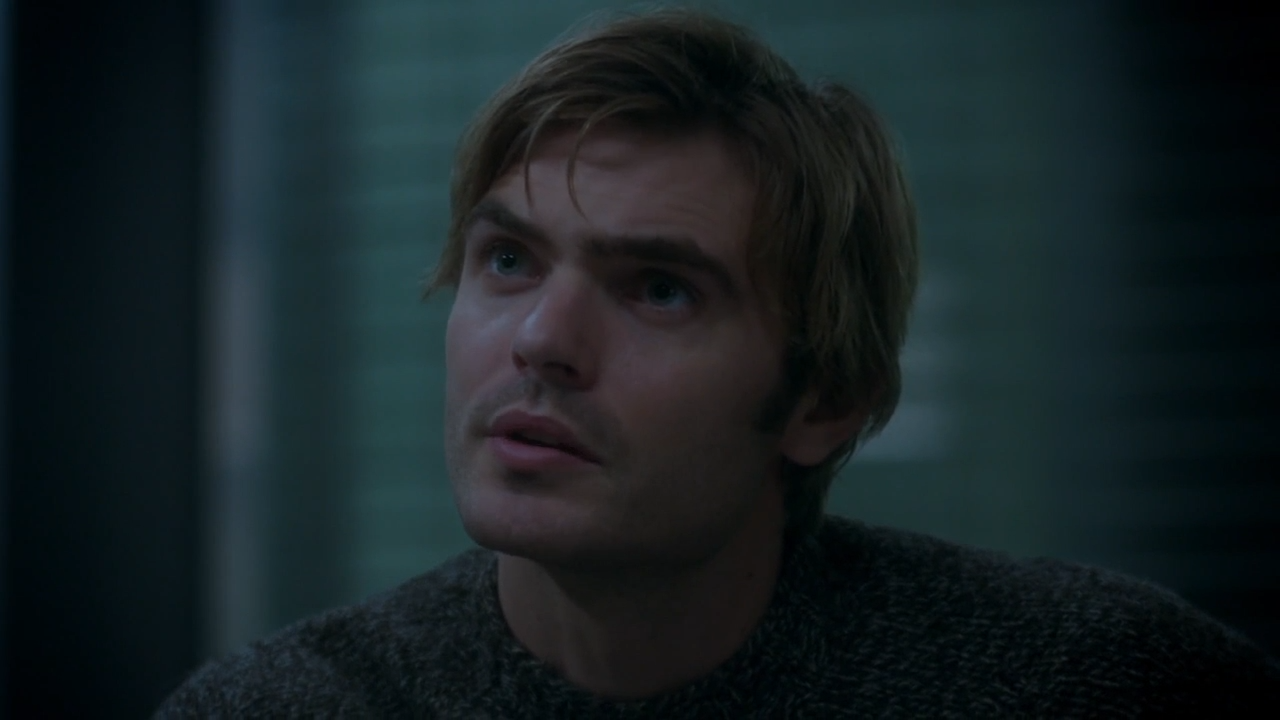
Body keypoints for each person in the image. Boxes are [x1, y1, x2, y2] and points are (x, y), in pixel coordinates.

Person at [156, 7, 1278, 717]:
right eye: (507, 260)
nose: (541, 340)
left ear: (825, 397)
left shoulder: (1087, 682)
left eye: (659, 288)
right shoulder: (288, 707)